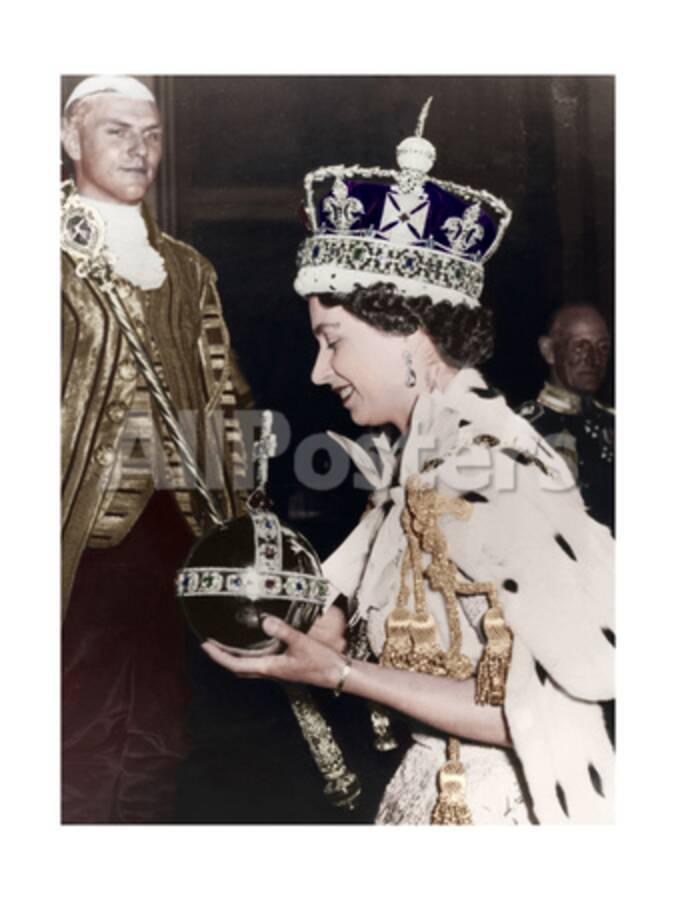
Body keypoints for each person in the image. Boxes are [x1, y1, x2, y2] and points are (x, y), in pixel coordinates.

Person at [201, 100, 615, 824]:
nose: (319, 372)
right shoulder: (420, 462)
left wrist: (343, 672)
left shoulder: (496, 465)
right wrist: (328, 639)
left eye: (333, 339)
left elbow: (545, 711)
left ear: (409, 333)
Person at [61, 75, 251, 823]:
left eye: (152, 134)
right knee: (76, 735)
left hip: (176, 539)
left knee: (158, 737)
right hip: (72, 539)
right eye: (118, 132)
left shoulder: (188, 267)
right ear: (71, 138)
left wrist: (240, 522)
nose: (141, 150)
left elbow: (223, 399)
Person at [517, 304, 614, 532]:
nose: (593, 359)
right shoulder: (522, 429)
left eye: (603, 348)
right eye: (580, 347)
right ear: (549, 351)